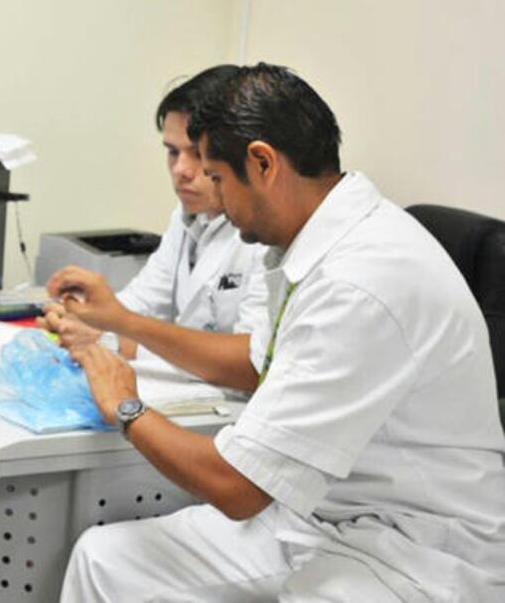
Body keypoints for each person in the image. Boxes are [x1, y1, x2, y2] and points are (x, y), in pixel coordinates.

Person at [54, 64, 505, 601]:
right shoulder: (307, 244)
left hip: (410, 551)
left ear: (263, 163)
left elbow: (237, 488)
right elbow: (256, 362)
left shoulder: (361, 281)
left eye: (218, 177)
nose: (214, 197)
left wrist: (124, 405)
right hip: (317, 512)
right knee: (106, 562)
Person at [42, 65, 266, 385]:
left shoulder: (265, 232)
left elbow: (249, 363)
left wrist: (119, 336)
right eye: (173, 152)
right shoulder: (187, 215)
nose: (181, 170)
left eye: (197, 153)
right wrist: (83, 321)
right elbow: (142, 302)